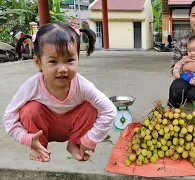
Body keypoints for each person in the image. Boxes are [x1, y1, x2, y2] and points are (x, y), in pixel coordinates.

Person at [3, 22, 117, 162]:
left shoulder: (83, 86)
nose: (62, 68)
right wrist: (26, 138)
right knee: (29, 110)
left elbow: (109, 111)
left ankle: (74, 143)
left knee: (91, 107)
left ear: (78, 59)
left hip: (72, 128)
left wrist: (89, 140)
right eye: (53, 61)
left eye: (69, 60)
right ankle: (39, 147)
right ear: (38, 62)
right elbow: (9, 116)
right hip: (42, 130)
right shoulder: (31, 86)